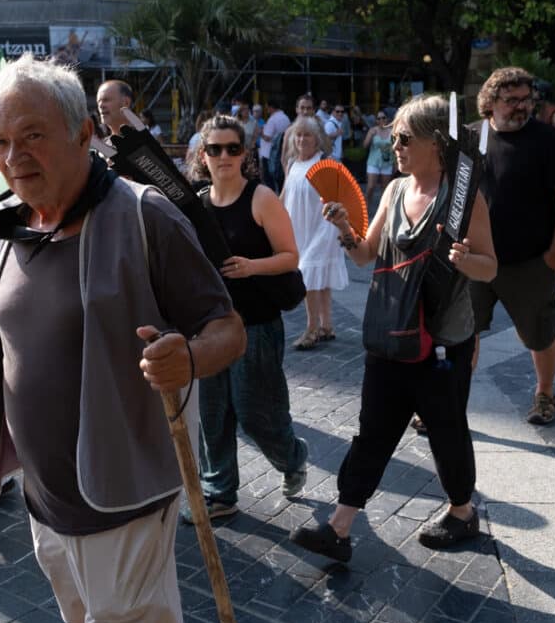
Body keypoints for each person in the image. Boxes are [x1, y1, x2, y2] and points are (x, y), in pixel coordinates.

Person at [0, 54, 245, 623]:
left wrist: (190, 357)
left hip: (124, 499)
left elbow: (227, 330)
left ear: (84, 134)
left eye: (33, 135)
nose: (14, 157)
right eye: (1, 141)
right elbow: (17, 348)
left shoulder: (143, 216)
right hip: (45, 499)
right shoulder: (10, 227)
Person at [289, 94, 496, 561]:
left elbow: (490, 268)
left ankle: (462, 512)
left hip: (443, 340)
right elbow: (366, 254)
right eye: (393, 136)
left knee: (446, 430)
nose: (394, 144)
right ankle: (339, 529)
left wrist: (467, 259)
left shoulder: (465, 200)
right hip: (391, 330)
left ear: (436, 143)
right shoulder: (397, 191)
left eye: (404, 137)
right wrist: (345, 228)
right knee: (373, 431)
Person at [185, 115, 308, 522]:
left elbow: (291, 257)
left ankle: (292, 456)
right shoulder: (198, 203)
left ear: (245, 154)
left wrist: (251, 267)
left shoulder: (261, 198)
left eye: (232, 148)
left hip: (256, 323)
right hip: (210, 326)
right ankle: (218, 492)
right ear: (203, 156)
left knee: (258, 413)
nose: (224, 156)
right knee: (213, 414)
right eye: (215, 149)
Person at [471, 67, 555, 426]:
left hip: (530, 261)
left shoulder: (548, 139)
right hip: (475, 258)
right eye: (512, 100)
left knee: (540, 334)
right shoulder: (472, 137)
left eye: (526, 99)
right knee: (462, 332)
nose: (522, 107)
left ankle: (545, 394)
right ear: (490, 102)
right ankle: (451, 399)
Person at [280, 115, 349, 350]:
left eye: (307, 135)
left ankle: (311, 329)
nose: (301, 139)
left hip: (323, 227)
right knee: (321, 277)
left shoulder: (326, 164)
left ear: (317, 139)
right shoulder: (292, 163)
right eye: (298, 135)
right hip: (300, 227)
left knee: (308, 273)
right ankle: (326, 325)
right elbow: (284, 194)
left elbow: (338, 198)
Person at [363, 110, 394, 208]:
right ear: (376, 121)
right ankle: (366, 207)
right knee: (370, 187)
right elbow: (365, 146)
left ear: (387, 119)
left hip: (387, 162)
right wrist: (370, 135)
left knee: (385, 189)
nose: (381, 120)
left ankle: (383, 210)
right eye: (379, 118)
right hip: (373, 162)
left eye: (383, 117)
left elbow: (395, 148)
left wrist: (396, 163)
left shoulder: (392, 131)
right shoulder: (373, 130)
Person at [259, 97, 290, 192]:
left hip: (269, 153)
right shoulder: (285, 118)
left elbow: (267, 137)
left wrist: (260, 132)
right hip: (281, 151)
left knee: (269, 178)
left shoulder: (272, 120)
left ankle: (272, 197)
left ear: (271, 107)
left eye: (267, 107)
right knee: (280, 177)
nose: (267, 110)